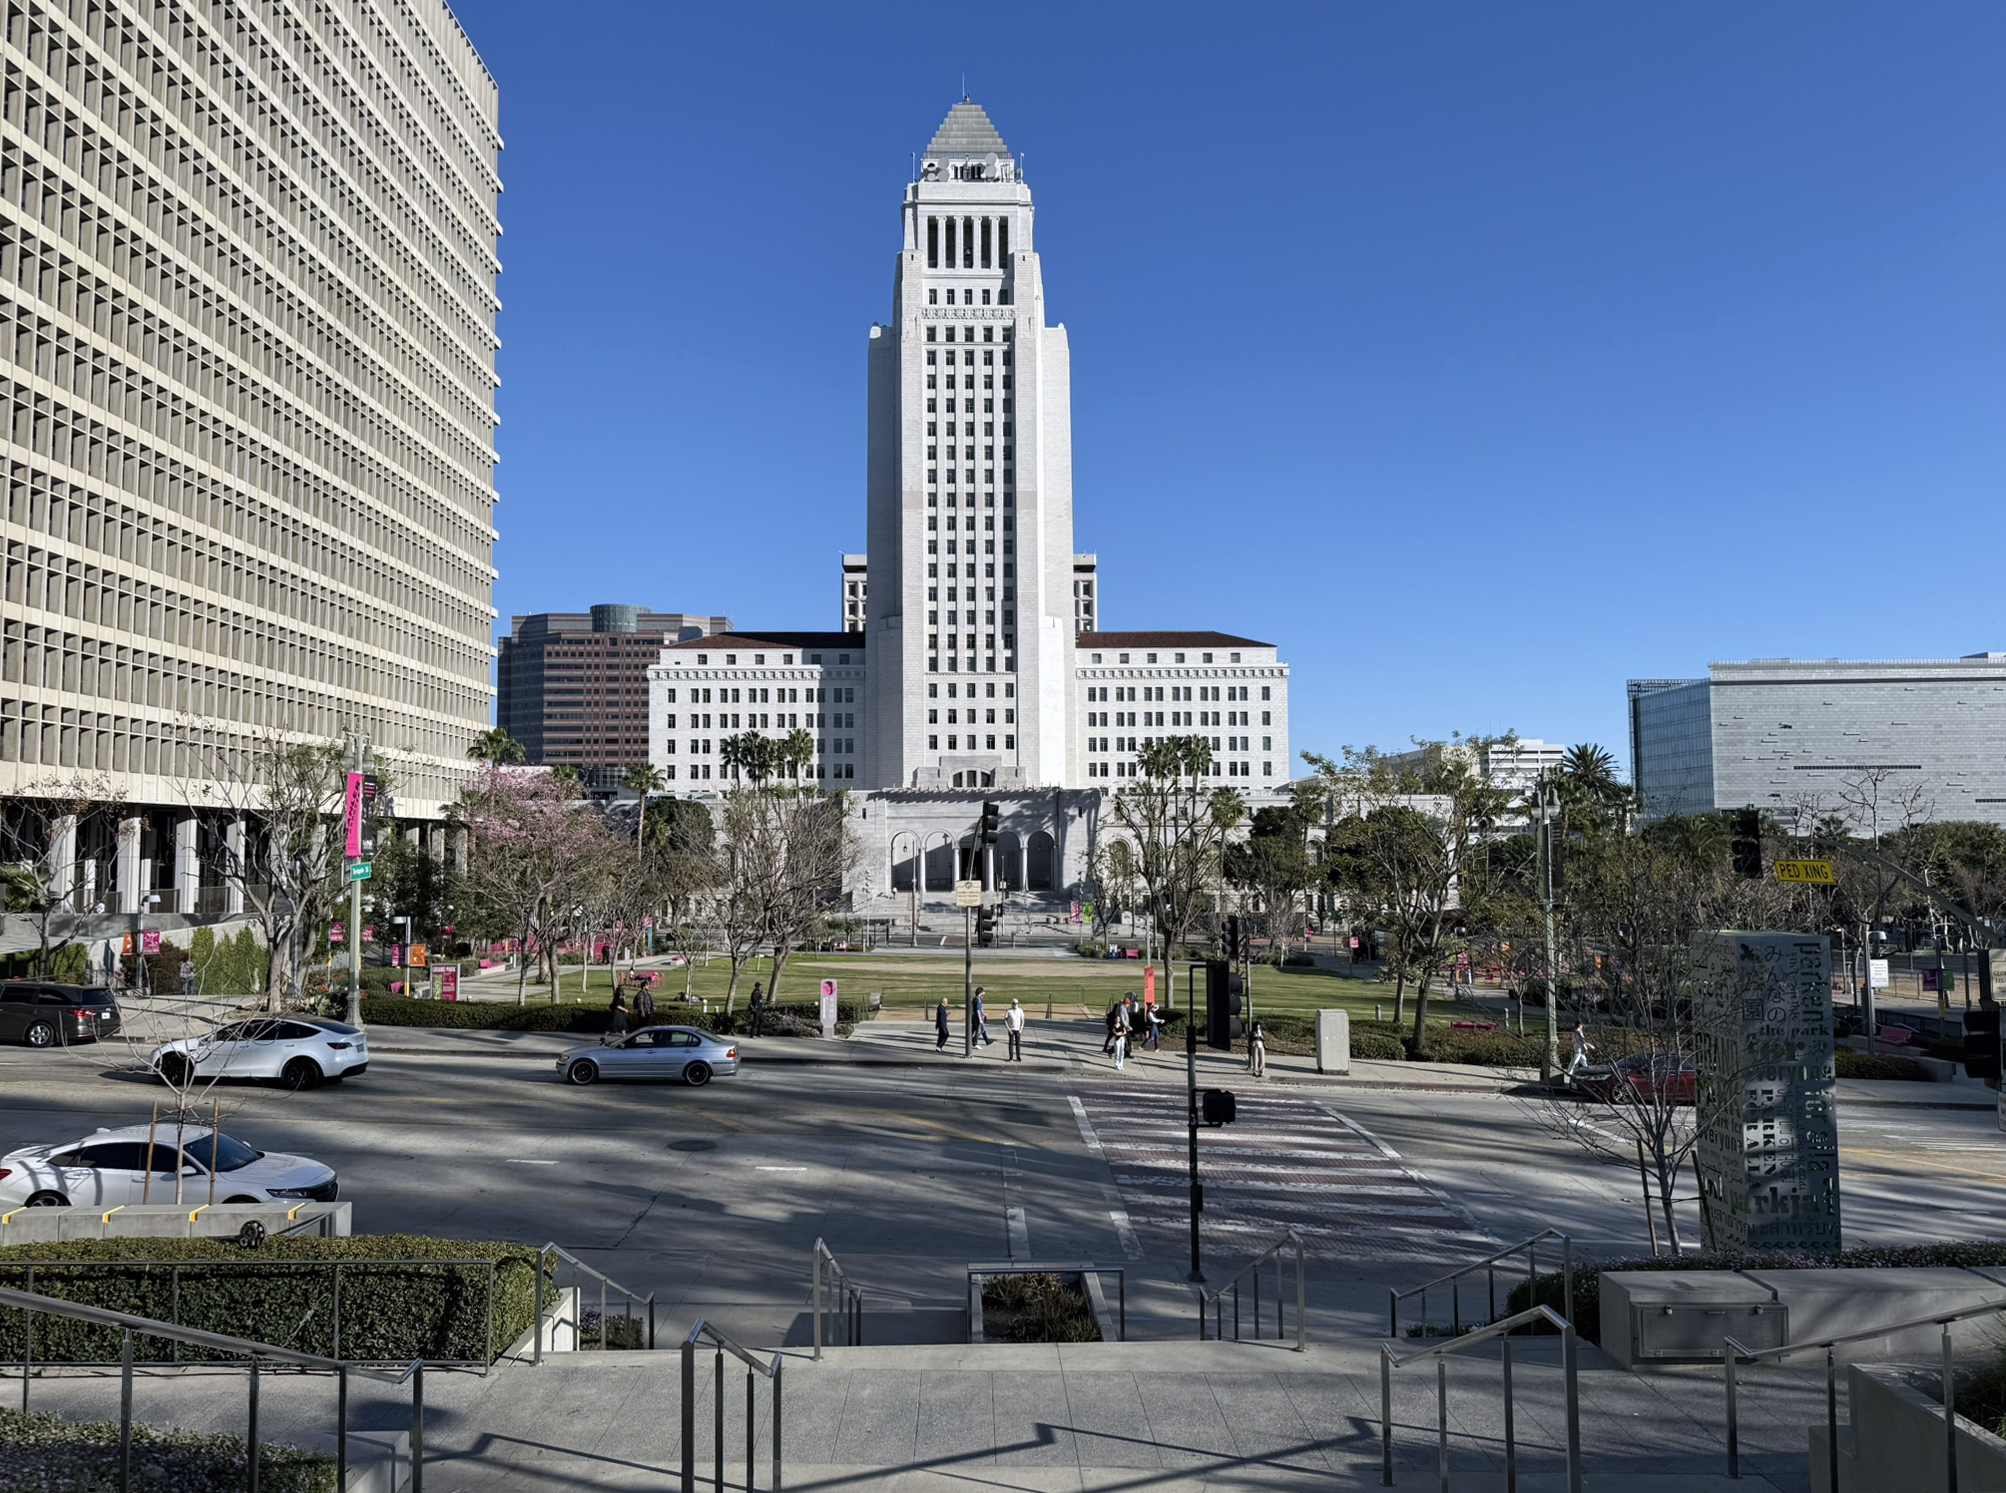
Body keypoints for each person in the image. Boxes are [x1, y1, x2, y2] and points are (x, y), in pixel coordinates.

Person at [1111, 1001, 1130, 1071]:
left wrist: (1121, 1033)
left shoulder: (1122, 1025)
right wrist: (1120, 1033)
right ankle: (1116, 1064)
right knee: (1117, 1053)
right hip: (1117, 1040)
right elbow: (1115, 1033)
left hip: (1122, 1039)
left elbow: (1124, 1032)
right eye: (1117, 1019)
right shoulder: (1114, 1026)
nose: (1118, 1020)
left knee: (1122, 1052)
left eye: (1119, 1019)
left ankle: (1121, 1064)